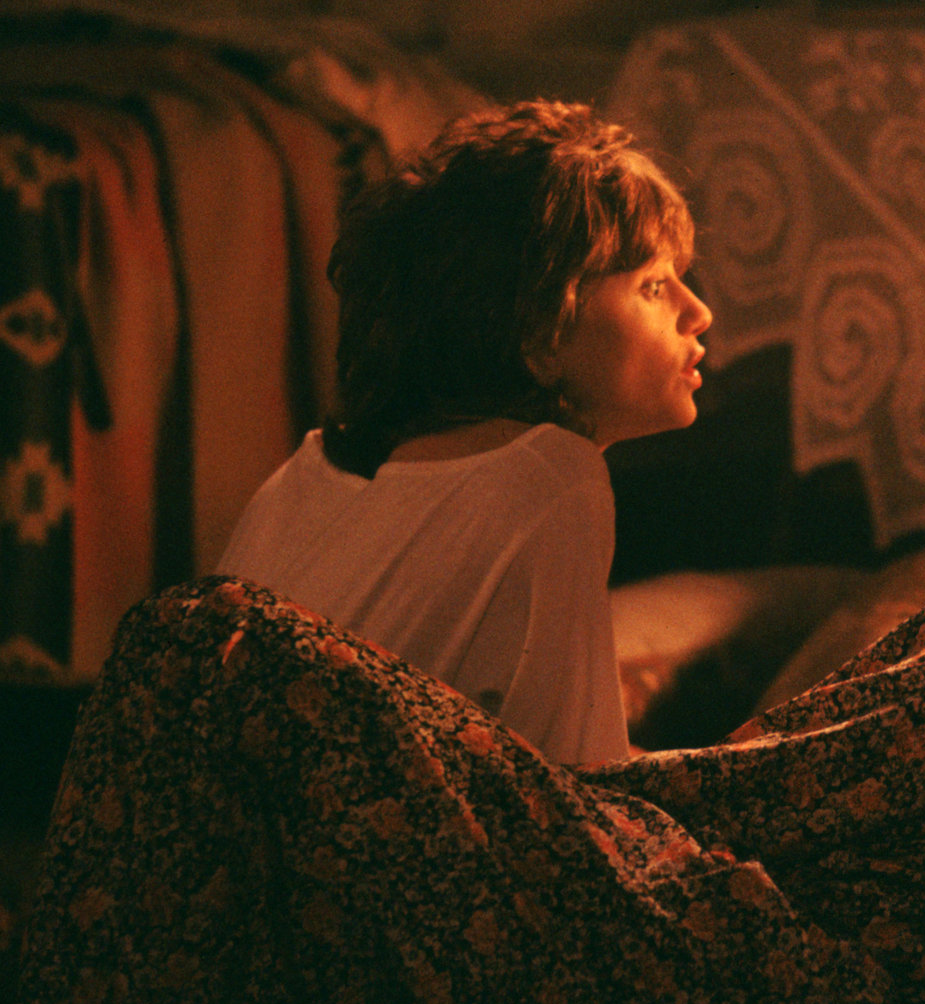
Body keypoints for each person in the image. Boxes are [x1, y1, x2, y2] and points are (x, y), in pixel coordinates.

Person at [14, 240, 925, 1004]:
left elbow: (775, 798)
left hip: (731, 980)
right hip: (736, 942)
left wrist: (489, 776)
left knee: (211, 645)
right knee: (245, 733)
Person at [215, 100, 713, 764]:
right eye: (653, 286)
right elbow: (577, 782)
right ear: (539, 331)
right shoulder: (549, 478)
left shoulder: (302, 476)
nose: (698, 311)